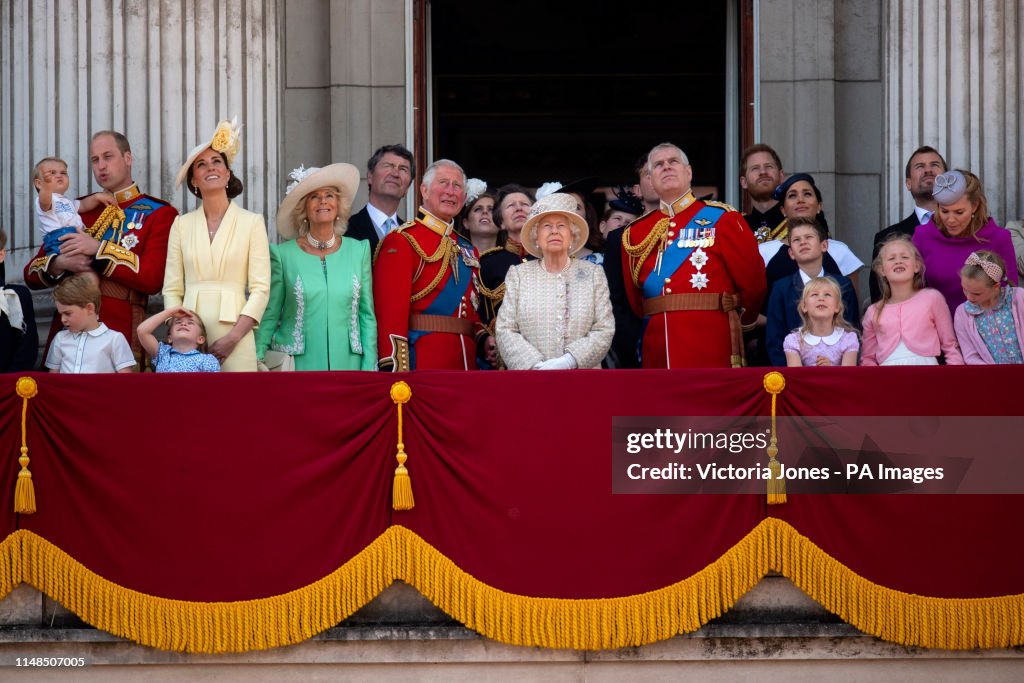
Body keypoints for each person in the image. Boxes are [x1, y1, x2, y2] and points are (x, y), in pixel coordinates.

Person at [24, 130, 178, 364]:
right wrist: (59, 263)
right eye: (95, 160)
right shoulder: (77, 209)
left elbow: (152, 279)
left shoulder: (159, 213)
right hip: (68, 335)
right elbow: (31, 274)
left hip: (120, 328)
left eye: (108, 157)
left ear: (127, 158)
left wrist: (98, 250)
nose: (101, 166)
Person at [621, 142, 766, 368]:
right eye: (658, 165)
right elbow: (636, 301)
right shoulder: (635, 233)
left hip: (711, 341)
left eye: (673, 162)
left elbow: (753, 283)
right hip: (657, 345)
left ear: (688, 173)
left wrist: (742, 324)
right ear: (650, 179)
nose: (666, 167)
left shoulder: (724, 218)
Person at [163, 118, 271, 372]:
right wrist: (179, 335)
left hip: (237, 332)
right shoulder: (181, 224)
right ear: (194, 181)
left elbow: (260, 289)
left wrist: (234, 338)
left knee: (238, 407)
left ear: (227, 173)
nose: (210, 167)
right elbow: (171, 288)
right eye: (201, 164)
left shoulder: (252, 222)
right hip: (187, 338)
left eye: (216, 161)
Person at [256, 162, 377, 371]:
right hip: (299, 367)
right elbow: (270, 314)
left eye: (329, 195)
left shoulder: (359, 251)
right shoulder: (282, 255)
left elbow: (366, 316)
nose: (323, 201)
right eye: (314, 196)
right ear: (304, 208)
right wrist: (256, 358)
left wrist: (368, 367)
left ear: (338, 205)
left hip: (349, 366)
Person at [373, 159, 489, 371]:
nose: (451, 191)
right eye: (443, 183)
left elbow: (470, 312)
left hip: (468, 364)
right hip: (424, 362)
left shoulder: (467, 248)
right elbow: (390, 313)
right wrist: (395, 365)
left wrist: (483, 339)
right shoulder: (402, 240)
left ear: (464, 197)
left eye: (457, 186)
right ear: (424, 190)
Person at [496, 193, 614, 370]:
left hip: (583, 379)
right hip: (532, 380)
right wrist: (535, 366)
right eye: (546, 226)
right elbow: (505, 329)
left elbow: (604, 329)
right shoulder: (519, 274)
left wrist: (570, 361)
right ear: (536, 237)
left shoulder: (593, 273)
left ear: (572, 235)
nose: (554, 231)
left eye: (561, 225)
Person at [912, 169, 1019, 316]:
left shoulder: (999, 238)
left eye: (959, 212)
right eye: (944, 211)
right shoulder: (922, 236)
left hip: (986, 333)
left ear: (974, 206)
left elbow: (1010, 297)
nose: (950, 219)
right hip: (936, 332)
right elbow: (912, 293)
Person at [765, 217, 860, 366]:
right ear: (791, 253)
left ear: (824, 245)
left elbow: (852, 327)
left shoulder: (843, 285)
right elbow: (774, 338)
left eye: (809, 237)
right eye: (796, 240)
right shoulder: (781, 288)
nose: (803, 242)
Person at [861, 235, 963, 366]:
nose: (898, 261)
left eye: (905, 257)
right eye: (892, 258)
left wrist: (953, 380)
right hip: (887, 379)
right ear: (881, 270)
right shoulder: (873, 311)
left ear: (916, 266)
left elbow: (950, 346)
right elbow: (867, 358)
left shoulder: (932, 298)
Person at [760, 173, 863, 291]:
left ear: (819, 206)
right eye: (792, 196)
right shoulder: (764, 253)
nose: (800, 200)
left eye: (807, 194)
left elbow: (852, 304)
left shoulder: (840, 252)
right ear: (783, 210)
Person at [869, 146, 947, 302]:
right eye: (920, 167)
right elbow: (879, 296)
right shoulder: (886, 238)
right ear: (908, 183)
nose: (928, 170)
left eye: (934, 165)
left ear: (947, 179)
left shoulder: (968, 229)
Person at [477, 184, 535, 344]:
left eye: (524, 205)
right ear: (501, 222)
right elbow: (478, 315)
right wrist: (484, 341)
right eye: (510, 206)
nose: (518, 209)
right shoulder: (487, 263)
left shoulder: (551, 258)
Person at [44, 273, 136, 373]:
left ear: (90, 308)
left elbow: (125, 380)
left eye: (67, 313)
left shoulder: (114, 339)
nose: (63, 319)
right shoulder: (60, 338)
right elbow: (53, 376)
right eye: (61, 314)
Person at [32, 157, 116, 255]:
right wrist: (46, 187)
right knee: (81, 264)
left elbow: (84, 205)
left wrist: (97, 197)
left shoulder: (68, 201)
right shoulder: (45, 200)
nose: (59, 176)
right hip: (59, 239)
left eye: (63, 173)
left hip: (76, 236)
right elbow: (45, 202)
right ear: (39, 183)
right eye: (52, 173)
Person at [954, 251, 1024, 365]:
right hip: (993, 379)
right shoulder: (963, 313)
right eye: (965, 289)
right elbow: (970, 356)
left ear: (996, 287)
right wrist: (994, 376)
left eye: (977, 293)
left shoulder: (1019, 298)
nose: (968, 296)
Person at [345, 144, 415, 255]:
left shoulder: (414, 237)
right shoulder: (345, 230)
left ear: (408, 187)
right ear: (370, 177)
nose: (395, 173)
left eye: (403, 169)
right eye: (388, 166)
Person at [783, 277, 860, 367]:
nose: (821, 298)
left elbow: (848, 377)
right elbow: (796, 377)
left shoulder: (848, 339)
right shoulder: (794, 341)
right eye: (814, 294)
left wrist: (830, 370)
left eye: (827, 294)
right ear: (804, 306)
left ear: (837, 307)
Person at [0, 228, 38, 372]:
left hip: (8, 384)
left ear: (1, 255)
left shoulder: (16, 295)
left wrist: (8, 383)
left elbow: (27, 346)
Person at [137, 307, 220, 373]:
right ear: (170, 338)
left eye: (190, 322)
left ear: (200, 339)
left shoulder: (207, 360)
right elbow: (142, 331)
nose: (183, 324)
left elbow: (212, 388)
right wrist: (170, 312)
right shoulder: (162, 353)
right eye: (178, 322)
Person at [739, 143, 786, 243]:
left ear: (781, 176)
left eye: (769, 166)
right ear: (744, 182)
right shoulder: (737, 226)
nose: (763, 172)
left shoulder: (798, 222)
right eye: (755, 168)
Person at [459, 179, 499, 254]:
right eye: (478, 209)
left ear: (500, 222)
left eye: (491, 209)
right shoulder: (454, 259)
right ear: (466, 223)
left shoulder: (514, 260)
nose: (485, 212)